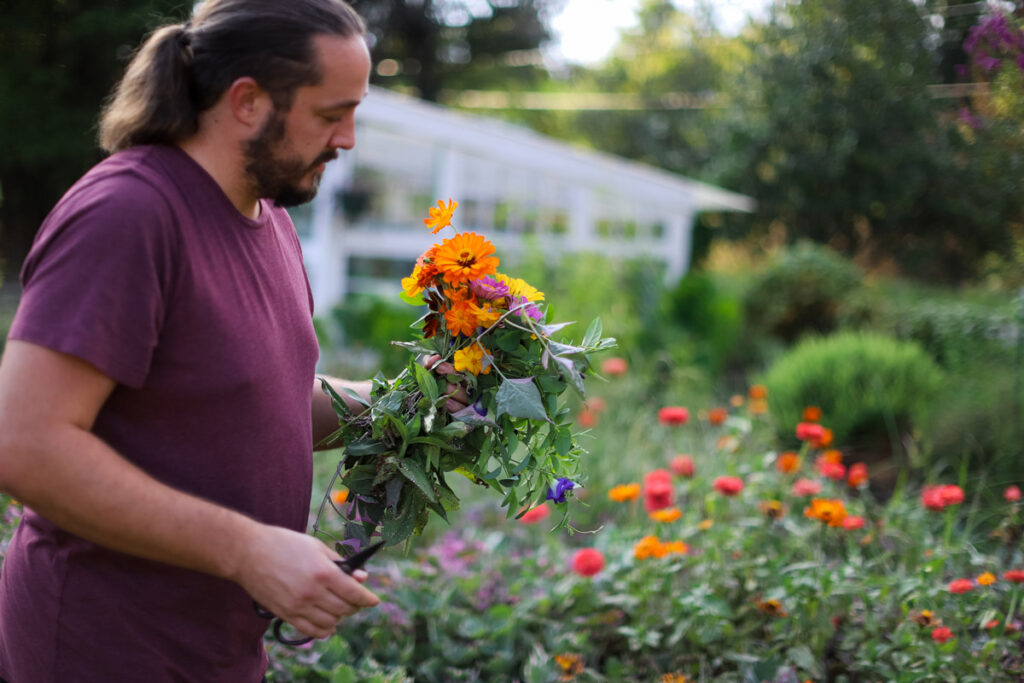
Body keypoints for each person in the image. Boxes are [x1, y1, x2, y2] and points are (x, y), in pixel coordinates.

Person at [0, 1, 420, 679]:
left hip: (213, 647)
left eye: (354, 113)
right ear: (248, 102)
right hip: (103, 644)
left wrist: (409, 407)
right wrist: (248, 550)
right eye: (329, 114)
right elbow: (23, 443)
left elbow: (253, 399)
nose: (346, 139)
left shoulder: (268, 217)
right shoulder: (129, 214)